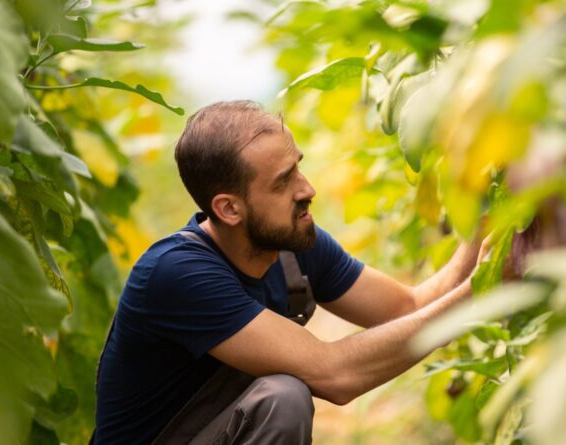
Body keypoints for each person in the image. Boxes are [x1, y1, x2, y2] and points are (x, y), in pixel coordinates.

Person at [93, 100, 486, 444]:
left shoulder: (293, 242)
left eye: (298, 168)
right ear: (229, 209)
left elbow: (408, 307)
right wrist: (483, 292)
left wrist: (490, 223)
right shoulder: (178, 272)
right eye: (283, 182)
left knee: (282, 395)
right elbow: (335, 375)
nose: (307, 189)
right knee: (283, 399)